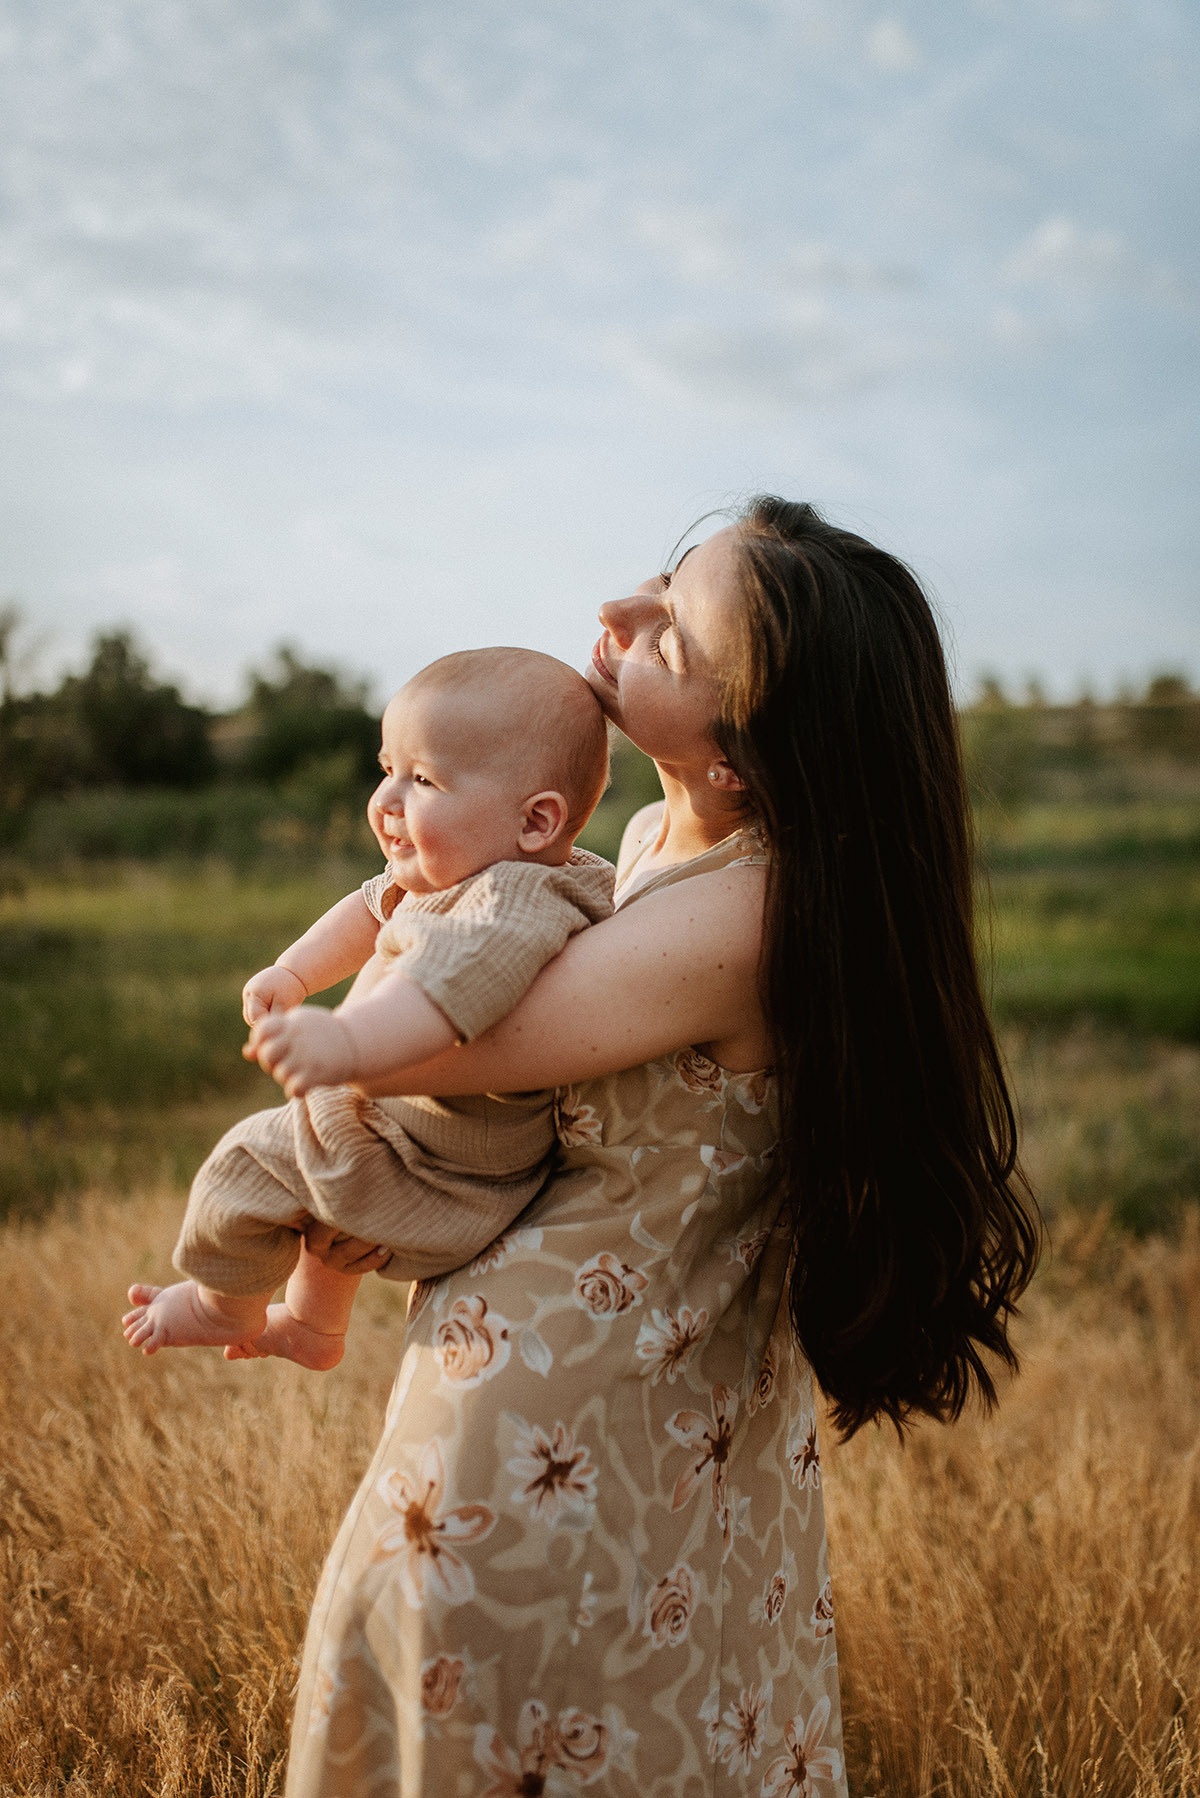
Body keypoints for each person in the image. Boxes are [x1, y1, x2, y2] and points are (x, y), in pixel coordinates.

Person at [260, 499, 1042, 1797]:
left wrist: (330, 985)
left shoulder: (745, 912)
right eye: (657, 583)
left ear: (745, 755)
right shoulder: (659, 835)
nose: (618, 619)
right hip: (632, 1395)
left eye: (671, 634)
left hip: (576, 1415)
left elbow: (445, 1040)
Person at [122, 648, 613, 1369]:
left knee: (251, 1163)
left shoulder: (514, 902)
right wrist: (294, 972)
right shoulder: (463, 865)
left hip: (442, 1175)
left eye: (423, 780)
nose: (386, 802)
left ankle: (220, 1304)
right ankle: (317, 1328)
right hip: (412, 1146)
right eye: (388, 770)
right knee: (320, 1177)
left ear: (536, 822)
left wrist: (347, 1041)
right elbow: (367, 908)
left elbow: (445, 987)